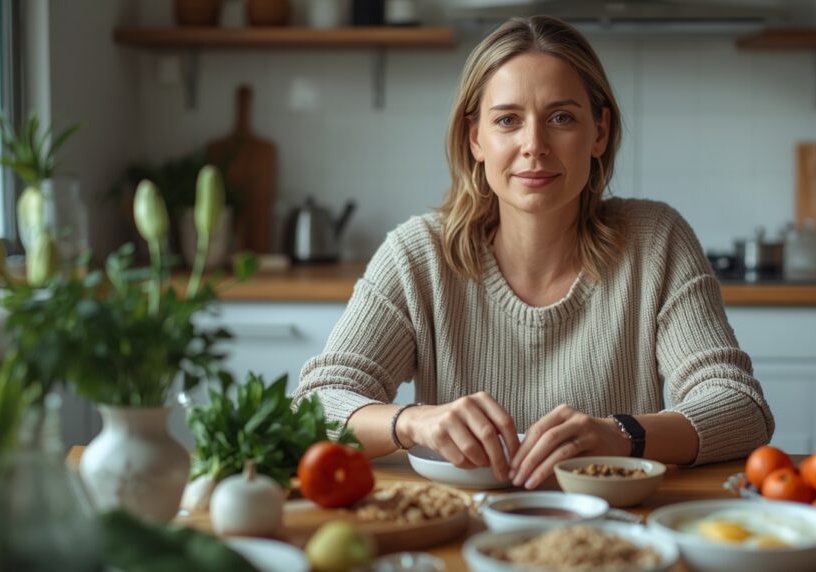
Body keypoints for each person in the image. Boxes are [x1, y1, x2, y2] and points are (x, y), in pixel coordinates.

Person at [293, 15, 774, 490]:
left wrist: (620, 435)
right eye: (507, 120)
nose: (534, 146)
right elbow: (311, 407)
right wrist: (414, 422)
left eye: (561, 118)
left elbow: (741, 407)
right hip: (465, 520)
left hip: (614, 523)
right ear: (475, 138)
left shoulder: (655, 241)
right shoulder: (417, 255)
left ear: (599, 132)